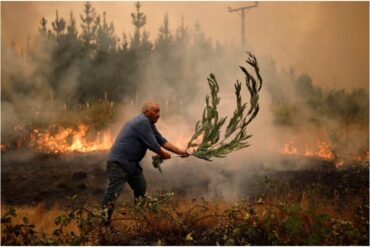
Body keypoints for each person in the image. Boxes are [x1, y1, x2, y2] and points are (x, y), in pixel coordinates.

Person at [101, 100, 189, 224]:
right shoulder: (141, 122)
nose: (159, 114)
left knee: (140, 188)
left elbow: (161, 141)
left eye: (159, 111)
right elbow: (153, 145)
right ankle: (104, 223)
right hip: (119, 163)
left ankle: (139, 218)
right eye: (156, 111)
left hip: (132, 164)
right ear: (146, 112)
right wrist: (163, 155)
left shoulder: (149, 124)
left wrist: (179, 151)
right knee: (112, 194)